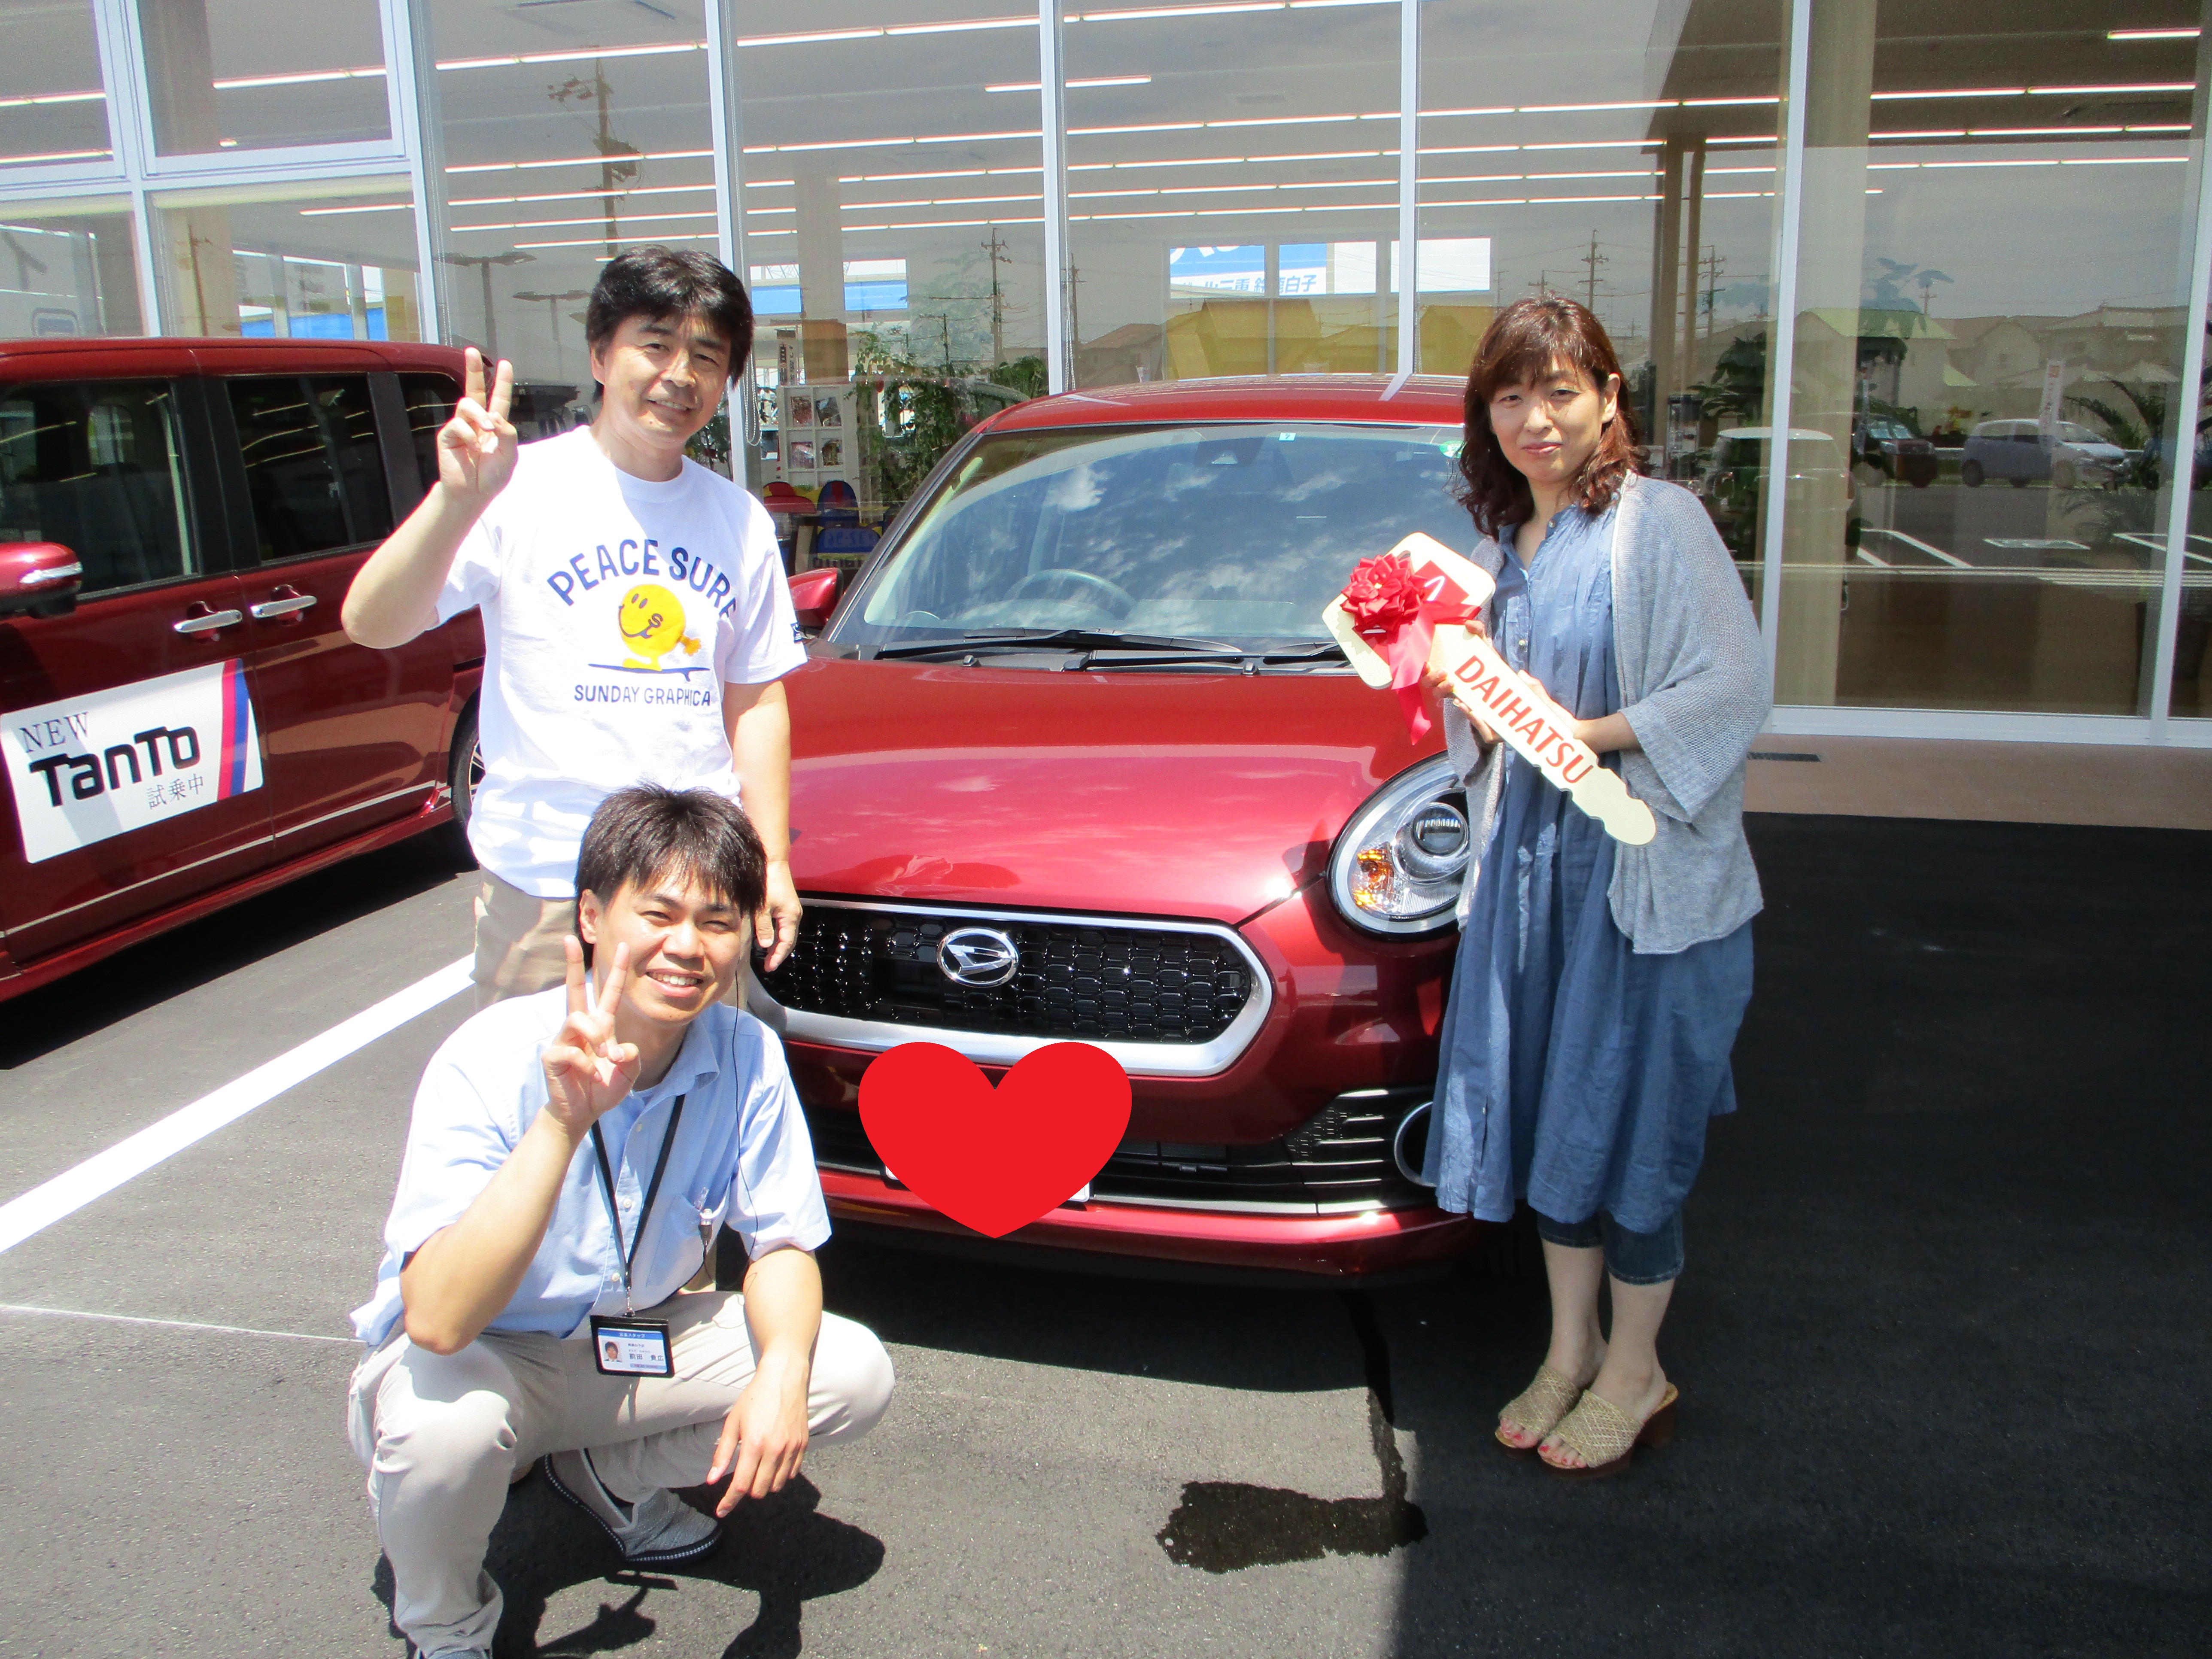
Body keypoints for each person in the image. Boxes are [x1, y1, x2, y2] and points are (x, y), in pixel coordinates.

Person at [346, 784, 893, 1659]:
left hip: (627, 1344)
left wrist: (783, 1374)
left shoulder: (747, 1053)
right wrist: (563, 1123)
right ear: (593, 917)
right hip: (486, 1355)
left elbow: (783, 1242)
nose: (688, 946)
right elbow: (439, 1321)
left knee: (845, 1370)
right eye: (660, 914)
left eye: (717, 921)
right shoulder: (489, 1055)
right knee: (443, 1430)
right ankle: (444, 1625)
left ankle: (602, 1475)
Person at [1421, 297, 1769, 1478]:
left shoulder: (1657, 524)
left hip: (1642, 885)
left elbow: (1731, 687)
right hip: (1530, 887)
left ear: (1609, 398)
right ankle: (1569, 1348)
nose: (1536, 419)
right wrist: (1462, 696)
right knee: (1550, 1118)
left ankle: (1636, 1369)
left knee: (1635, 1129)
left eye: (1560, 391)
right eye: (1510, 397)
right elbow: (1481, 740)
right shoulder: (1488, 558)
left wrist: (1585, 733)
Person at [342, 246, 808, 1007]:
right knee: (541, 1080)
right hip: (545, 881)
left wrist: (773, 860)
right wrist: (456, 501)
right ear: (600, 355)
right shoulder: (512, 487)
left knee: (697, 1080)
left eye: (706, 357)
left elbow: (754, 700)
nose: (680, 375)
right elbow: (372, 623)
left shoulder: (740, 520)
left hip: (694, 886)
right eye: (655, 345)